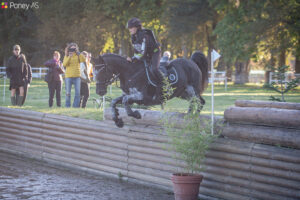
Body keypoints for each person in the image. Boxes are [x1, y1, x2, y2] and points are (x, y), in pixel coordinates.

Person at [126, 17, 164, 102]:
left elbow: (142, 53)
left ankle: (163, 85)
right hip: (146, 54)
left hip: (155, 53)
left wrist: (133, 58)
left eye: (131, 27)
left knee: (154, 69)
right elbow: (137, 51)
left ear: (137, 27)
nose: (130, 30)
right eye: (129, 28)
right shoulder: (133, 37)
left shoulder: (144, 36)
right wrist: (132, 59)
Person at [63, 43, 85, 108]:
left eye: (74, 48)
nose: (72, 50)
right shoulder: (66, 56)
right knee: (68, 93)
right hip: (68, 76)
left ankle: (75, 106)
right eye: (71, 48)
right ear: (69, 49)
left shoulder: (78, 55)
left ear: (76, 49)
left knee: (77, 93)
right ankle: (67, 106)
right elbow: (64, 64)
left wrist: (79, 54)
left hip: (77, 76)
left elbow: (83, 60)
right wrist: (69, 56)